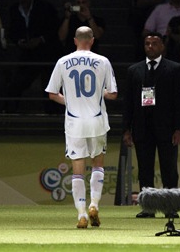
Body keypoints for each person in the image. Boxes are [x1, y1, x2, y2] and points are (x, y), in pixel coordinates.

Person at [45, 26, 118, 229]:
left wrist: (71, 102)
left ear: (75, 40)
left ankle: (81, 215)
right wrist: (99, 93)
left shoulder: (63, 62)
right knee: (98, 165)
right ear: (92, 41)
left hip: (74, 122)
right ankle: (94, 205)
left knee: (78, 170)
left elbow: (52, 93)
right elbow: (112, 94)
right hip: (97, 121)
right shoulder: (103, 61)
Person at [122, 32, 180, 218]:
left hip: (167, 128)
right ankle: (148, 207)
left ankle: (170, 207)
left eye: (154, 43)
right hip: (142, 128)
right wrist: (127, 129)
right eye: (147, 43)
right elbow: (128, 103)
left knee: (169, 170)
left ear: (162, 47)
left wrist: (179, 128)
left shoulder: (174, 69)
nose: (150, 46)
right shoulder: (134, 70)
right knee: (145, 170)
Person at [6, 0, 62, 113]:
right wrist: (19, 41)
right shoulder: (14, 10)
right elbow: (12, 30)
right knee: (17, 84)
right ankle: (11, 114)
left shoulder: (45, 8)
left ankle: (52, 116)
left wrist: (40, 40)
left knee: (49, 87)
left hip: (46, 53)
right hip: (27, 54)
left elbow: (54, 28)